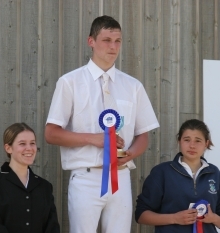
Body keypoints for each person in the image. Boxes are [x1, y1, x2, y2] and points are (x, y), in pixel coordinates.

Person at [45, 15, 159, 233]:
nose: (113, 46)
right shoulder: (70, 82)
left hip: (121, 177)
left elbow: (143, 134)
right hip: (85, 176)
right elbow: (51, 133)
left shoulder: (133, 86)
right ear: (91, 41)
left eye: (118, 41)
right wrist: (94, 138)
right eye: (107, 40)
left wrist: (130, 154)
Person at [135, 119, 220, 232]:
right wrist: (174, 218)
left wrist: (213, 218)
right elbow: (141, 215)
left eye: (198, 141)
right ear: (179, 141)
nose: (192, 145)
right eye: (187, 140)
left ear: (206, 143)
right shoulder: (162, 172)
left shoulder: (214, 173)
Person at [0, 123, 60, 233]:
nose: (29, 148)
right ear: (8, 148)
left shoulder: (45, 186)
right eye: (22, 144)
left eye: (32, 143)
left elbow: (52, 227)